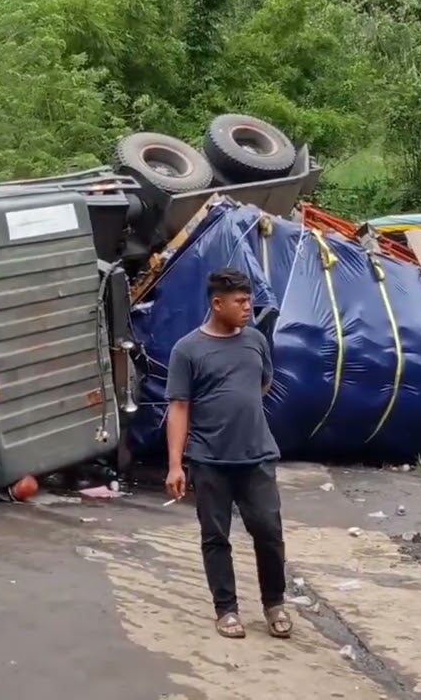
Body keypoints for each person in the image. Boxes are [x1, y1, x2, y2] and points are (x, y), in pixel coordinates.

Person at [164, 267, 292, 640]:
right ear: (217, 304)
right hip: (209, 460)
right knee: (215, 536)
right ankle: (227, 610)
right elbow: (179, 407)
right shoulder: (187, 350)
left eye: (249, 299)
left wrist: (240, 412)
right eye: (239, 301)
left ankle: (274, 604)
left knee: (269, 531)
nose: (247, 307)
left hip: (257, 456)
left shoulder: (255, 340)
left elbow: (263, 384)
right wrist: (176, 464)